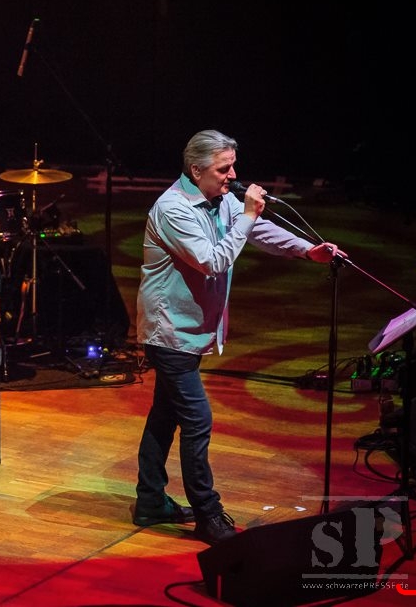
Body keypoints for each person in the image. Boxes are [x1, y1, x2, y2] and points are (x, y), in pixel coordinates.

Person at [133, 129, 344, 545]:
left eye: (233, 166)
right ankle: (208, 514)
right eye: (223, 168)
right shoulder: (173, 209)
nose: (232, 175)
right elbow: (213, 261)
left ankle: (150, 501)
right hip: (169, 332)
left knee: (165, 416)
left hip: (191, 330)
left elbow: (258, 230)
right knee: (197, 420)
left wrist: (307, 250)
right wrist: (247, 215)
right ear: (196, 170)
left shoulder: (223, 200)